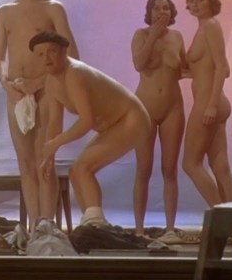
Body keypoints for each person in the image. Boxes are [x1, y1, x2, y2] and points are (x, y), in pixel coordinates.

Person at [0, 0, 79, 229]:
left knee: (45, 160)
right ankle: (33, 227)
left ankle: (47, 224)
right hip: (16, 92)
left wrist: (39, 82)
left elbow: (72, 55)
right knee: (26, 162)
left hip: (46, 90)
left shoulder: (53, 8)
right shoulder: (4, 12)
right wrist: (6, 84)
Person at [33, 31, 150, 227]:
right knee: (76, 172)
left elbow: (86, 122)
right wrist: (48, 156)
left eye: (51, 52)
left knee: (83, 168)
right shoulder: (51, 82)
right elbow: (54, 122)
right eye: (40, 54)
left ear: (63, 51)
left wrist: (56, 143)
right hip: (112, 126)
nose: (46, 58)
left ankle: (96, 224)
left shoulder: (74, 73)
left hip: (130, 119)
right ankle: (91, 221)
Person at [131, 0, 187, 242]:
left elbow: (185, 68)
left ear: (172, 13)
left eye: (165, 8)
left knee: (170, 169)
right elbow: (139, 64)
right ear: (149, 12)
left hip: (173, 107)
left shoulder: (177, 37)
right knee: (143, 169)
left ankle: (170, 229)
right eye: (156, 8)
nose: (161, 12)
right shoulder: (140, 35)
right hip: (144, 108)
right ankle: (139, 229)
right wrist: (153, 35)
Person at [181, 0, 232, 206]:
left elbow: (221, 67)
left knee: (190, 164)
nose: (195, 5)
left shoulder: (211, 26)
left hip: (208, 103)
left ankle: (219, 214)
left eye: (200, 0)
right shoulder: (204, 28)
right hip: (214, 102)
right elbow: (224, 68)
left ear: (211, 1)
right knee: (220, 166)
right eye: (191, 1)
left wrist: (211, 105)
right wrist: (191, 72)